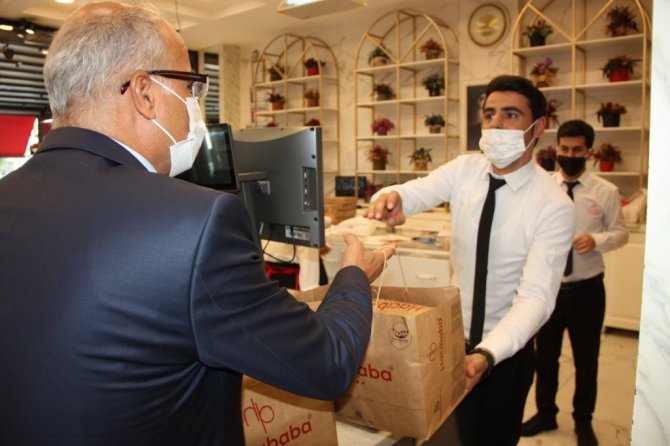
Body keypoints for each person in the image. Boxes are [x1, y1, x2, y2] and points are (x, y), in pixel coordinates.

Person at [0, 3, 394, 444]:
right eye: (190, 86)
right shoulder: (197, 223)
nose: (195, 105)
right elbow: (327, 363)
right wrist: (353, 277)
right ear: (144, 93)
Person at [364, 74, 576, 445]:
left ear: (539, 127)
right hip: (449, 343)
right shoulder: (465, 170)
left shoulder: (553, 205)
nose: (496, 124)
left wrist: (487, 355)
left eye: (511, 115)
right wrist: (390, 197)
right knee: (444, 436)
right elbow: (416, 190)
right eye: (490, 114)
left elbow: (536, 297)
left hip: (505, 354)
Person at [521, 120, 629, 446]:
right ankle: (545, 413)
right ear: (557, 149)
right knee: (545, 357)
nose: (569, 155)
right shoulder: (542, 186)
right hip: (549, 288)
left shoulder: (605, 192)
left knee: (586, 359)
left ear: (589, 152)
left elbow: (621, 233)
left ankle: (583, 420)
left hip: (587, 289)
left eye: (577, 150)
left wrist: (597, 240)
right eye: (564, 149)